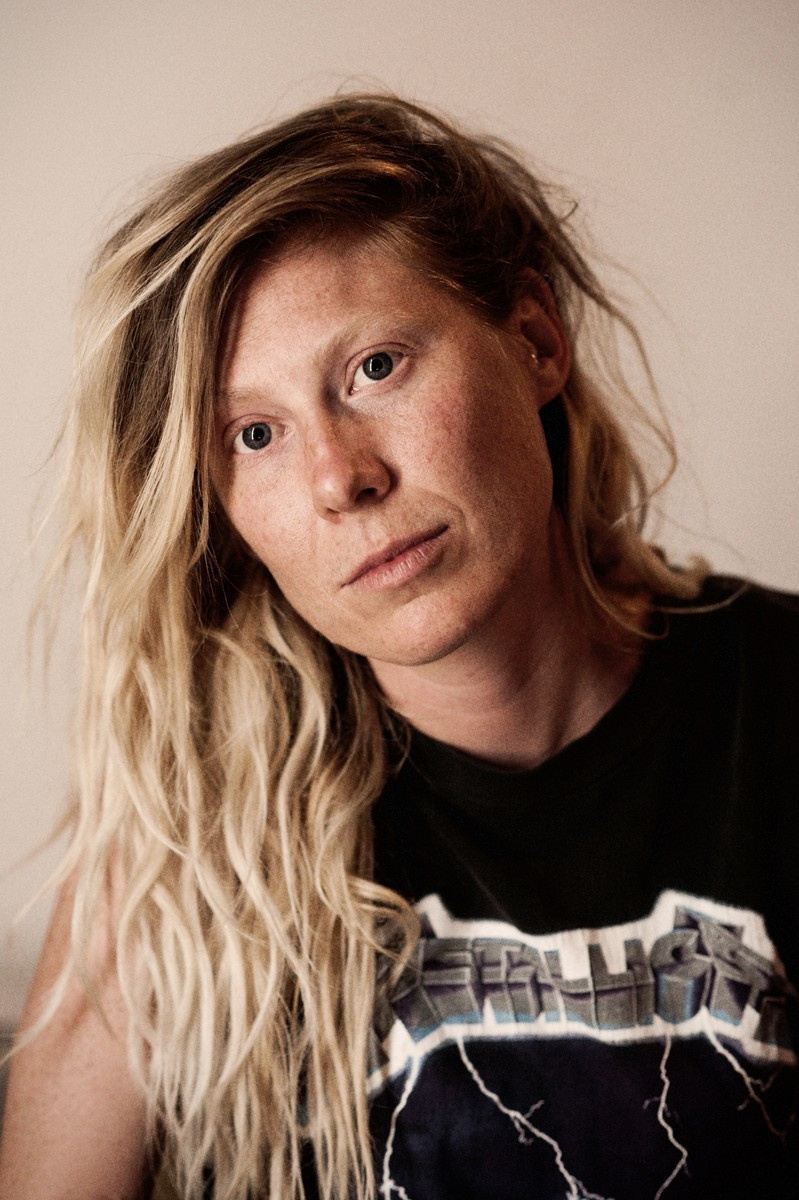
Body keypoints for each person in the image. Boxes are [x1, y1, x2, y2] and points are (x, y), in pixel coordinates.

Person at [0, 93, 796, 1200]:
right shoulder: (181, 852)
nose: (340, 477)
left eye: (374, 368)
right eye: (256, 434)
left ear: (533, 341)